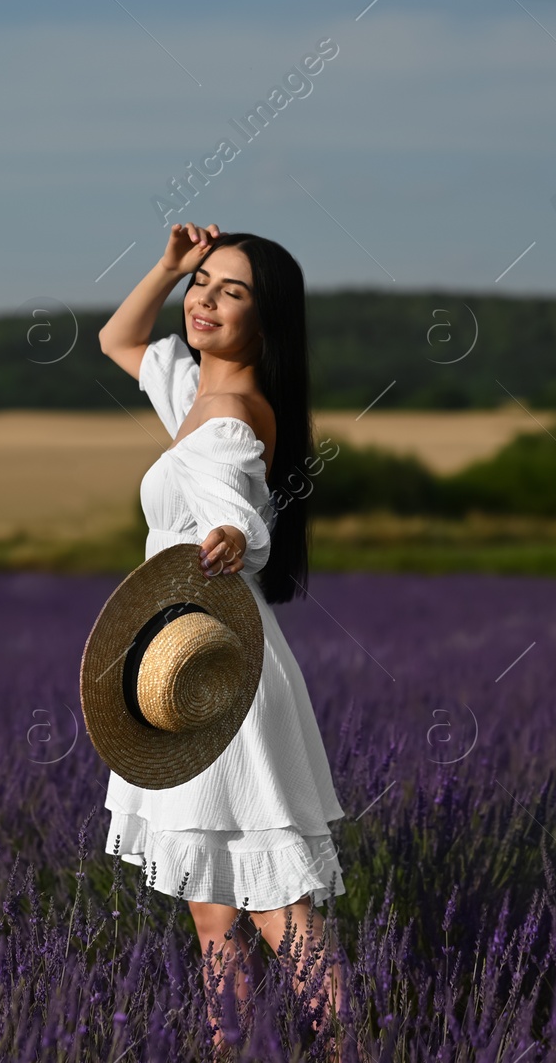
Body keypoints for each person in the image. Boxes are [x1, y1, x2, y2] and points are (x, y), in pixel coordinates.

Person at [99, 222, 351, 1057]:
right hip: (188, 660)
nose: (204, 299)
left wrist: (235, 537)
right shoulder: (194, 397)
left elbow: (235, 502)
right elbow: (120, 337)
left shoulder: (231, 414)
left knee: (273, 899)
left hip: (221, 663)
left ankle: (353, 1044)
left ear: (267, 319)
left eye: (230, 290)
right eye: (201, 283)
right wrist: (167, 266)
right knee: (214, 906)